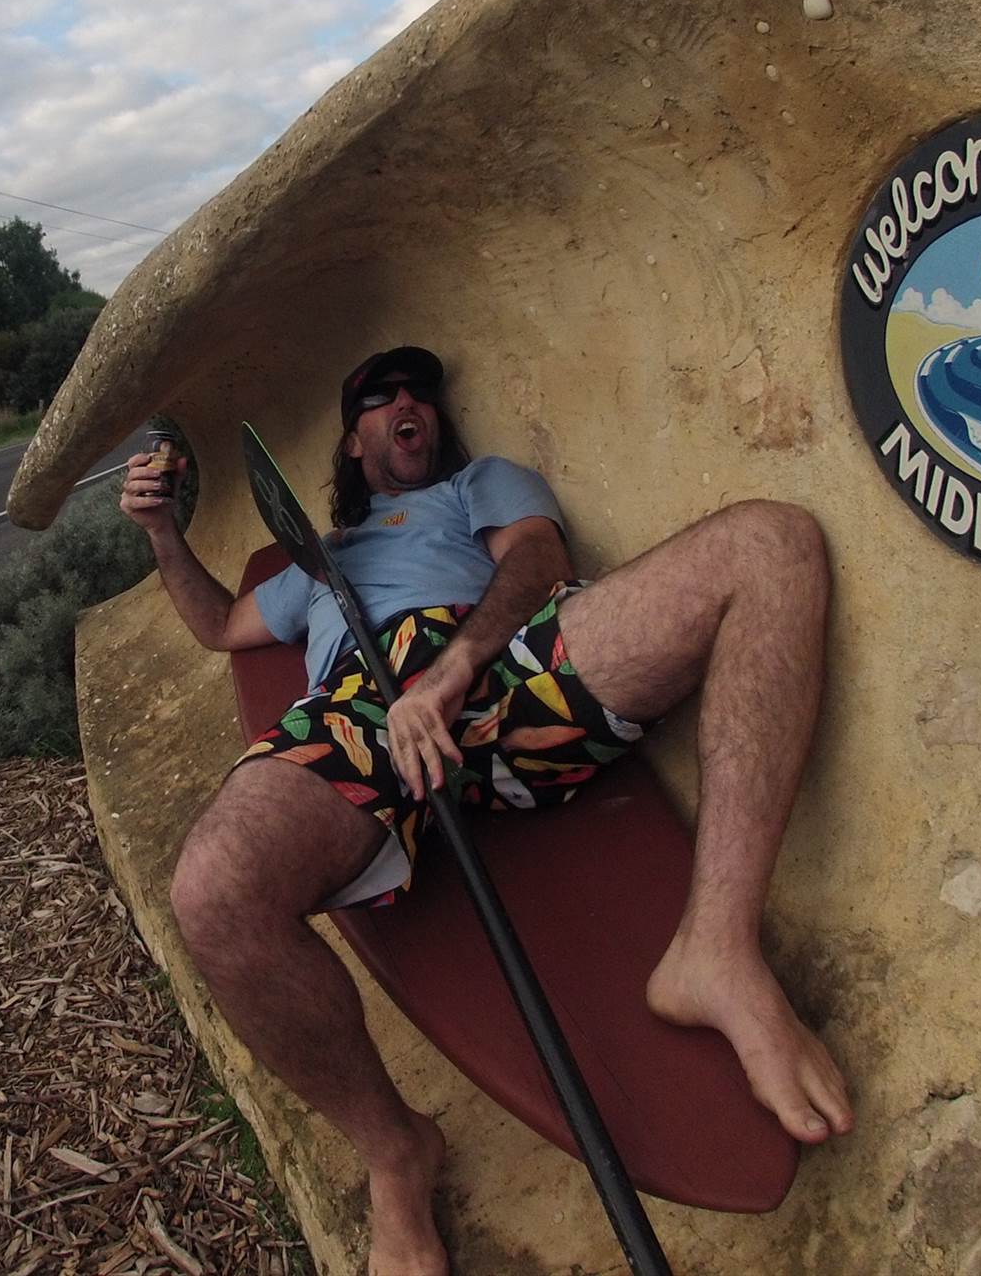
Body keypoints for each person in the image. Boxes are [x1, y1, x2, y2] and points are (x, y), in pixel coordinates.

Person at [119, 346, 854, 1276]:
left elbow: (538, 561)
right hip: (359, 714)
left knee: (770, 542)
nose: (405, 405)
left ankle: (715, 944)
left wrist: (453, 670)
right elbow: (220, 627)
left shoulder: (476, 487)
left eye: (418, 393)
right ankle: (396, 1151)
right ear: (354, 443)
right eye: (379, 399)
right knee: (212, 891)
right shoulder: (320, 562)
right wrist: (160, 537)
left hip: (501, 669)